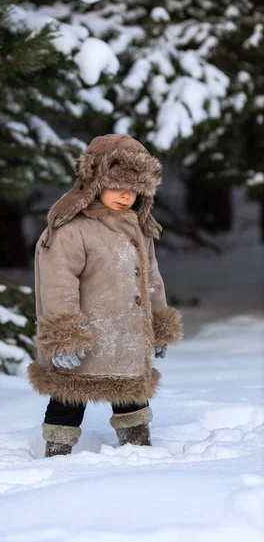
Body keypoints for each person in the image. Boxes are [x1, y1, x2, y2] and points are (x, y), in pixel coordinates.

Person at [28, 134, 183, 457]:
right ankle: (57, 452)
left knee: (130, 395)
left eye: (134, 188)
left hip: (126, 337)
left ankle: (137, 448)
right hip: (87, 339)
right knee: (69, 397)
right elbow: (58, 284)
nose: (126, 195)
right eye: (117, 185)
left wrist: (158, 326)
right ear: (93, 182)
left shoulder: (139, 229)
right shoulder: (72, 230)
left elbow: (152, 280)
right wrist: (64, 337)